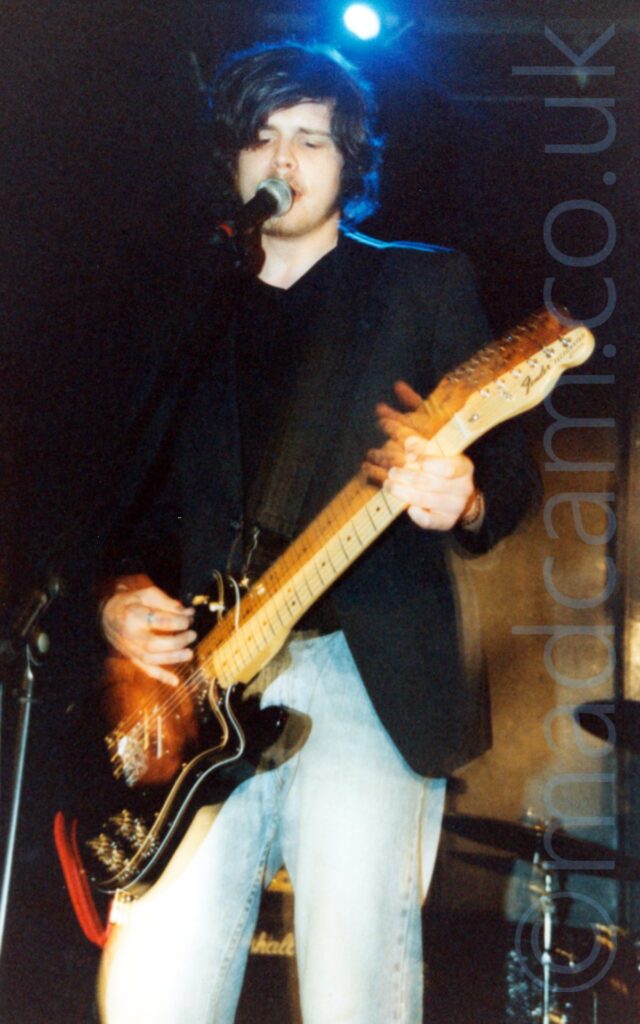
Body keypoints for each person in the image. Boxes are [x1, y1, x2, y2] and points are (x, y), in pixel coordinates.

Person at [95, 42, 539, 1024]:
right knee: (154, 990)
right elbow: (127, 498)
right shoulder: (189, 303)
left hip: (361, 672)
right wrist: (117, 598)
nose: (284, 159)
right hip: (201, 680)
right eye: (262, 136)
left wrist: (462, 496)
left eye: (312, 138)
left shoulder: (422, 285)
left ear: (351, 162)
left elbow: (509, 475)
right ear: (232, 157)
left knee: (356, 991)